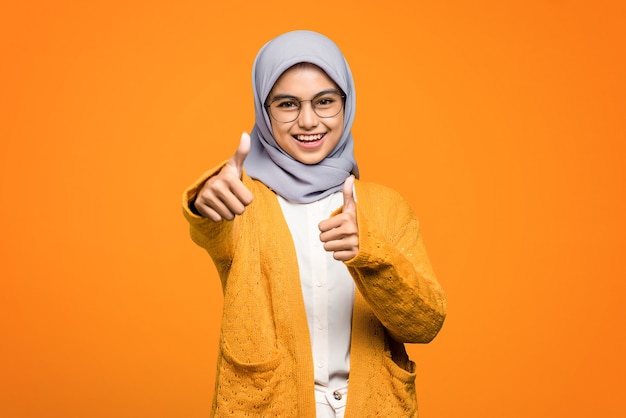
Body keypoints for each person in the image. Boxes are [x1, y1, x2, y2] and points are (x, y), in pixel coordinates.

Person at [183, 30, 446, 418]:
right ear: (264, 109)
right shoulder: (243, 199)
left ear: (346, 104)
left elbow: (424, 325)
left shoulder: (386, 206)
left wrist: (371, 255)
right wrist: (205, 201)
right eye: (287, 104)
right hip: (268, 406)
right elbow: (214, 229)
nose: (308, 121)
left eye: (325, 102)